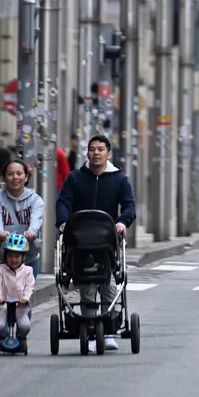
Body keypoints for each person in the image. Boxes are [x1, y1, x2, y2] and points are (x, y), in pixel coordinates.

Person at [56, 134, 136, 350]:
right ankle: (90, 332)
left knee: (108, 285)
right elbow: (63, 203)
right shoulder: (75, 178)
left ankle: (109, 330)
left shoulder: (119, 179)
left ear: (109, 153)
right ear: (87, 153)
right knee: (87, 287)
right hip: (80, 242)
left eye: (101, 149)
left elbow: (129, 206)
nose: (96, 153)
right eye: (92, 149)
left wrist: (122, 222)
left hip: (107, 242)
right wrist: (63, 221)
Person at [0, 158, 45, 273]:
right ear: (4, 178)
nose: (15, 177)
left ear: (26, 177)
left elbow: (36, 219)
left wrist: (32, 231)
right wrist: (0, 232)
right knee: (0, 290)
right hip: (1, 257)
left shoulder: (36, 200)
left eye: (19, 173)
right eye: (10, 174)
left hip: (28, 257)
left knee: (26, 291)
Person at [0, 233, 35, 344]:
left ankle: (21, 338)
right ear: (5, 256)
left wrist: (25, 298)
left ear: (23, 257)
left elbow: (30, 286)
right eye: (10, 256)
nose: (13, 259)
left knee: (25, 326)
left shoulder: (28, 271)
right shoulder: (1, 269)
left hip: (20, 305)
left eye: (17, 256)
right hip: (4, 305)